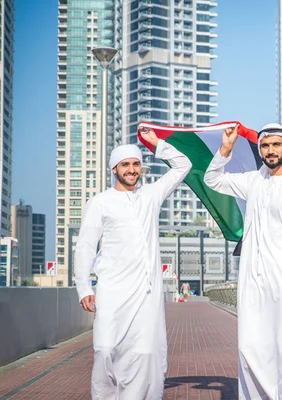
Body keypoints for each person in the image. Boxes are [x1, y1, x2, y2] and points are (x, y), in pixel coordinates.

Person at [204, 122, 282, 399]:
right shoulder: (253, 181)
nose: (270, 151)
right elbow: (213, 180)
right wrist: (226, 148)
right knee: (251, 348)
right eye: (265, 146)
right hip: (253, 281)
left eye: (275, 145)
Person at [75, 127, 192, 399]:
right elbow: (85, 247)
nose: (131, 169)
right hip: (112, 291)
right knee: (105, 350)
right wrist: (84, 287)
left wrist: (155, 143)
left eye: (136, 164)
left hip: (146, 294)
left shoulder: (151, 195)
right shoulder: (100, 202)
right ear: (114, 169)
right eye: (125, 164)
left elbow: (183, 165)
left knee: (145, 355)